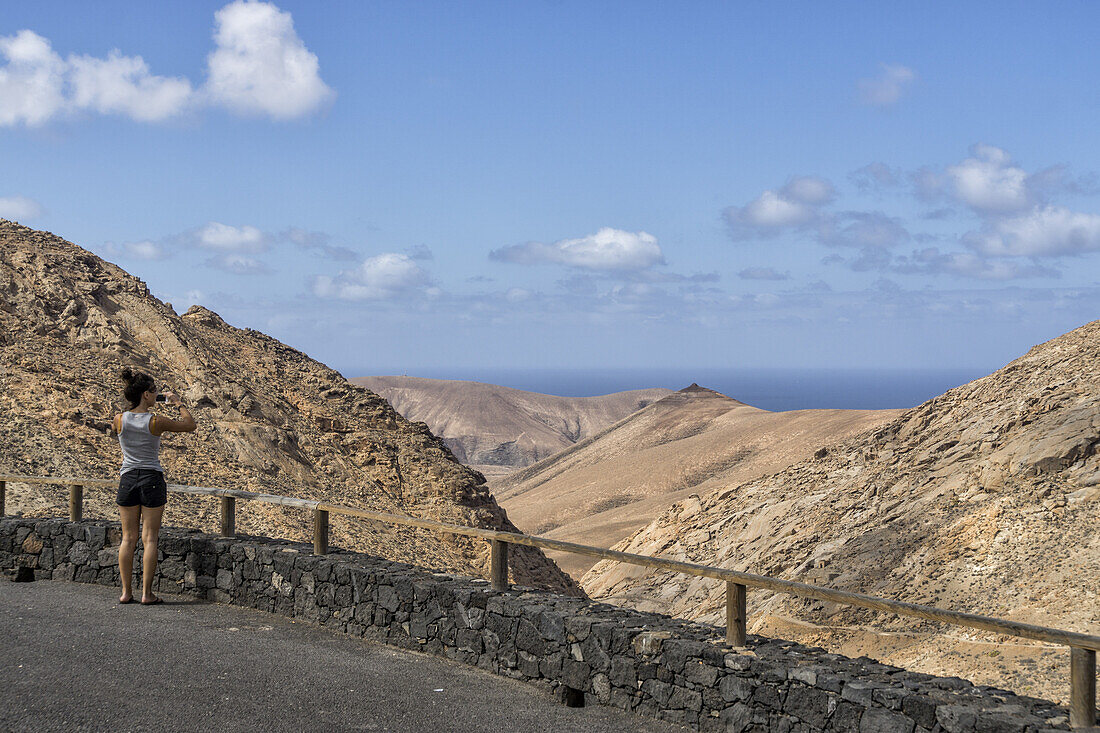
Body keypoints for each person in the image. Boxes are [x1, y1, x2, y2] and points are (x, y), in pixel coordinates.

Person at [112, 368, 196, 605]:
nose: (157, 394)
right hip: (151, 478)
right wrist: (178, 403)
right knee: (150, 538)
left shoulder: (119, 419)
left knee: (128, 538)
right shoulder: (156, 421)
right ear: (146, 395)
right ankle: (147, 594)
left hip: (127, 478)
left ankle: (126, 592)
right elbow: (190, 425)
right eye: (154, 391)